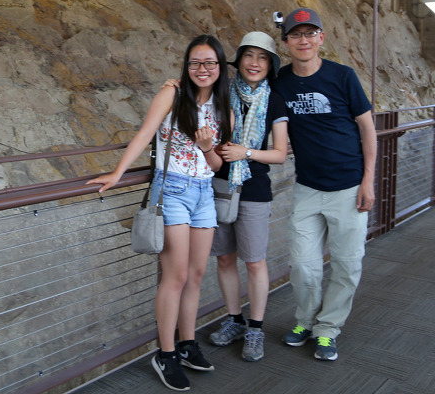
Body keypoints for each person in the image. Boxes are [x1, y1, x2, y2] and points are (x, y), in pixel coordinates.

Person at [87, 35, 233, 391]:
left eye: (210, 63)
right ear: (186, 66)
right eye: (195, 63)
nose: (203, 70)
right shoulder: (171, 94)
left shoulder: (224, 108)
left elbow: (216, 166)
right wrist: (118, 172)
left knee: (197, 275)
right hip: (172, 190)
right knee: (176, 276)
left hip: (203, 193)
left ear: (220, 68)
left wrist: (207, 147)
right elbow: (144, 135)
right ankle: (165, 353)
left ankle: (187, 343)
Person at [271, 7, 377, 361]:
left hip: (349, 189)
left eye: (310, 33)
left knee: (348, 264)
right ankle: (305, 320)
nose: (304, 40)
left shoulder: (343, 77)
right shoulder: (280, 82)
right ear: (286, 41)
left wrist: (368, 182)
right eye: (296, 34)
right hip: (308, 189)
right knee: (303, 265)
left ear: (321, 37)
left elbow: (367, 130)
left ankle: (328, 328)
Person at [207, 32, 289, 362]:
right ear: (239, 60)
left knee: (254, 260)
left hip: (254, 190)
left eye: (263, 57)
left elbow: (281, 153)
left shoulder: (276, 100)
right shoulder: (220, 91)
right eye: (249, 56)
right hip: (218, 186)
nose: (255, 63)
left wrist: (246, 152)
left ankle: (255, 327)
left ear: (270, 65)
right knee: (224, 257)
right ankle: (234, 320)